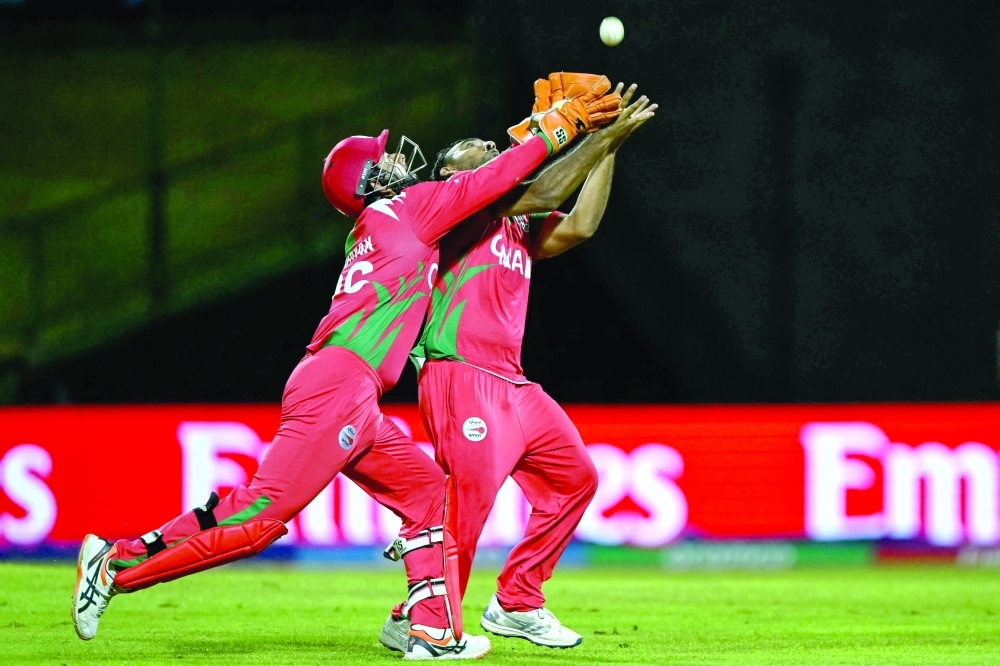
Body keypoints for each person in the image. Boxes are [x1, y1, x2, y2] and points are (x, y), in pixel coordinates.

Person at [72, 82, 613, 660]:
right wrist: (561, 123)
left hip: (351, 388)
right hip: (339, 384)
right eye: (383, 158)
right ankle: (116, 565)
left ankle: (430, 631)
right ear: (368, 180)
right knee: (258, 518)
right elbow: (497, 181)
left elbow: (507, 193)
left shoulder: (392, 217)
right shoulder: (408, 206)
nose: (398, 158)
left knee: (430, 492)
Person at [385, 77, 655, 651]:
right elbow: (542, 191)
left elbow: (579, 224)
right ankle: (415, 616)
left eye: (491, 147)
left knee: (574, 479)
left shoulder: (514, 221)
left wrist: (605, 145)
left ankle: (516, 601)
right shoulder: (453, 213)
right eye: (476, 152)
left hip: (512, 380)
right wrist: (594, 138)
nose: (491, 151)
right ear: (449, 177)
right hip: (458, 372)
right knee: (469, 499)